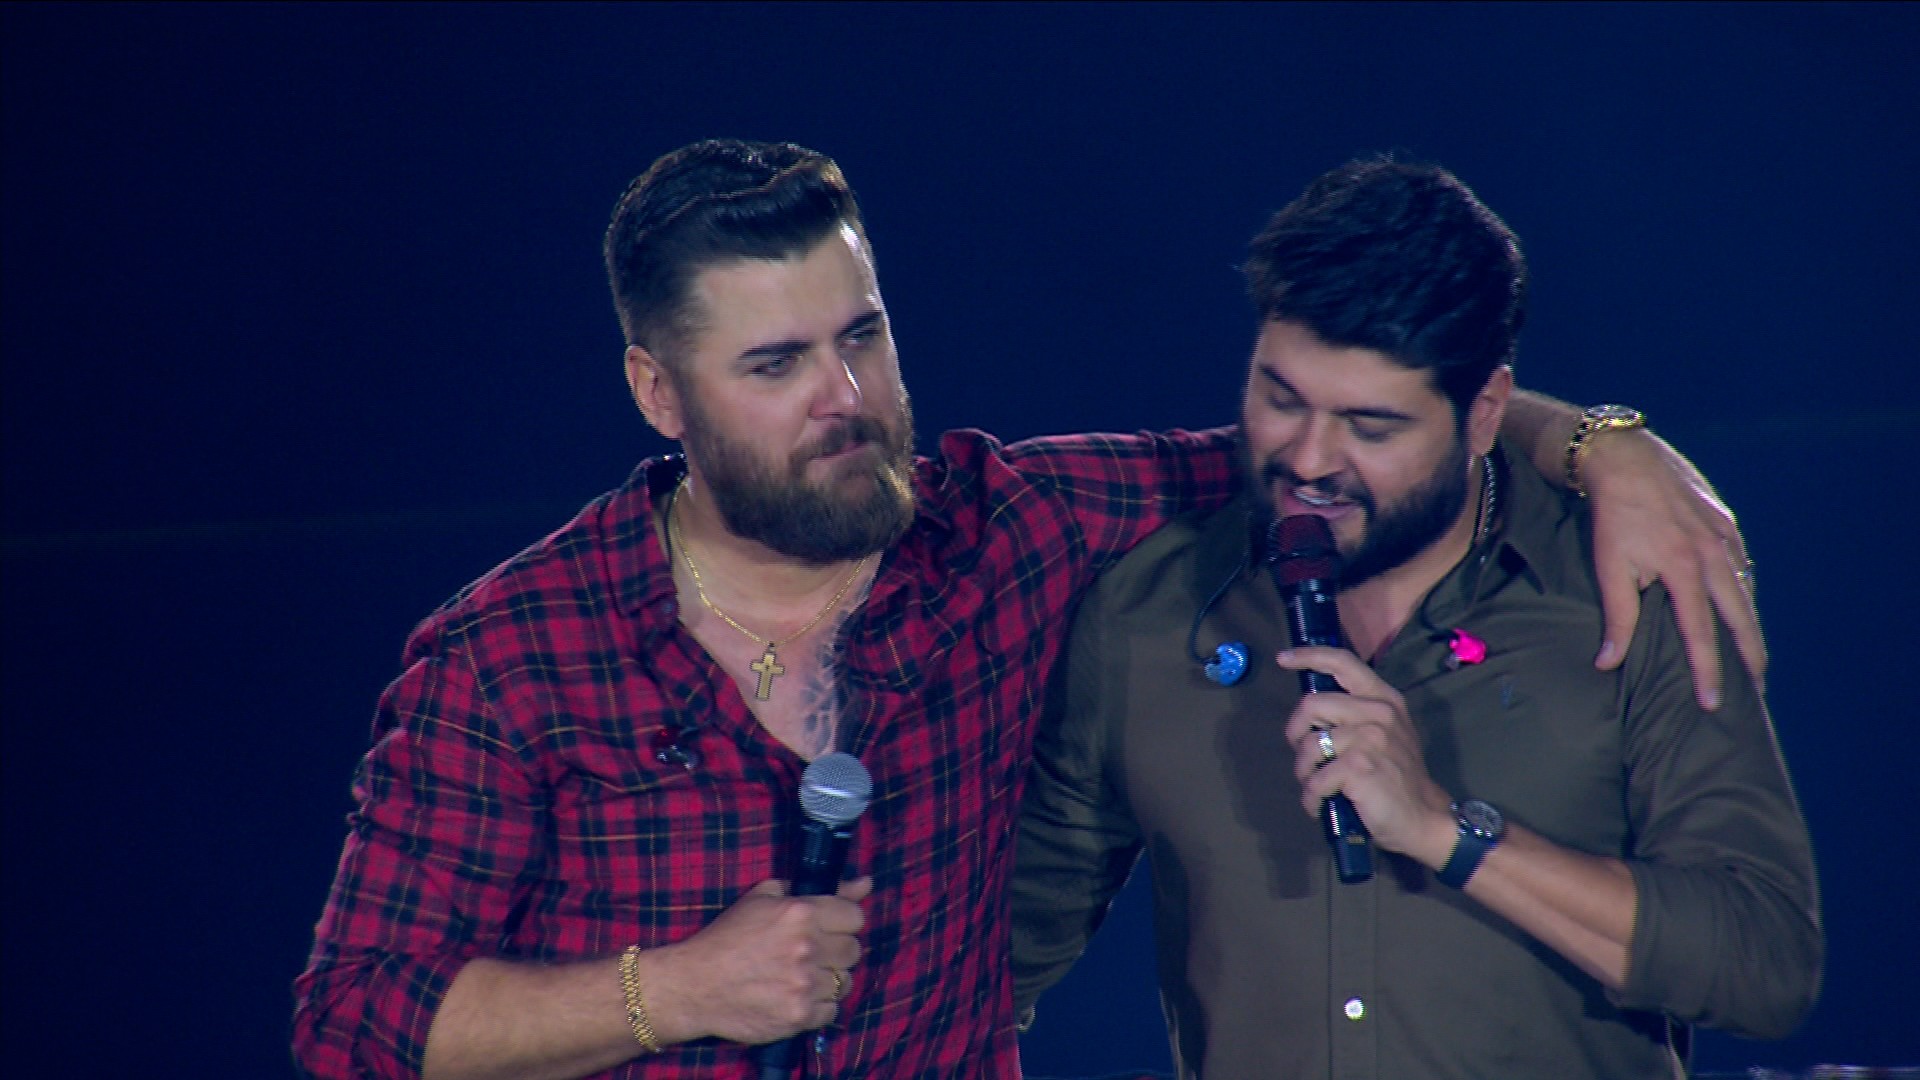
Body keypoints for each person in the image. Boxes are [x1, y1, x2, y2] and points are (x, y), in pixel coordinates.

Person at [292, 139, 1768, 1079]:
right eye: (776, 366)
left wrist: (1600, 442)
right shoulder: (513, 656)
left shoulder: (1017, 532)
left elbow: (1342, 442)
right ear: (657, 392)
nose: (846, 398)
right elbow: (354, 1023)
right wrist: (670, 992)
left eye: (864, 336)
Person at [1009, 157, 1819, 1079]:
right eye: (1280, 399)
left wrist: (1448, 830)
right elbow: (983, 967)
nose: (1310, 459)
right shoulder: (1148, 615)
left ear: (1487, 414)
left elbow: (1763, 962)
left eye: (1372, 427)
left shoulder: (1624, 589)